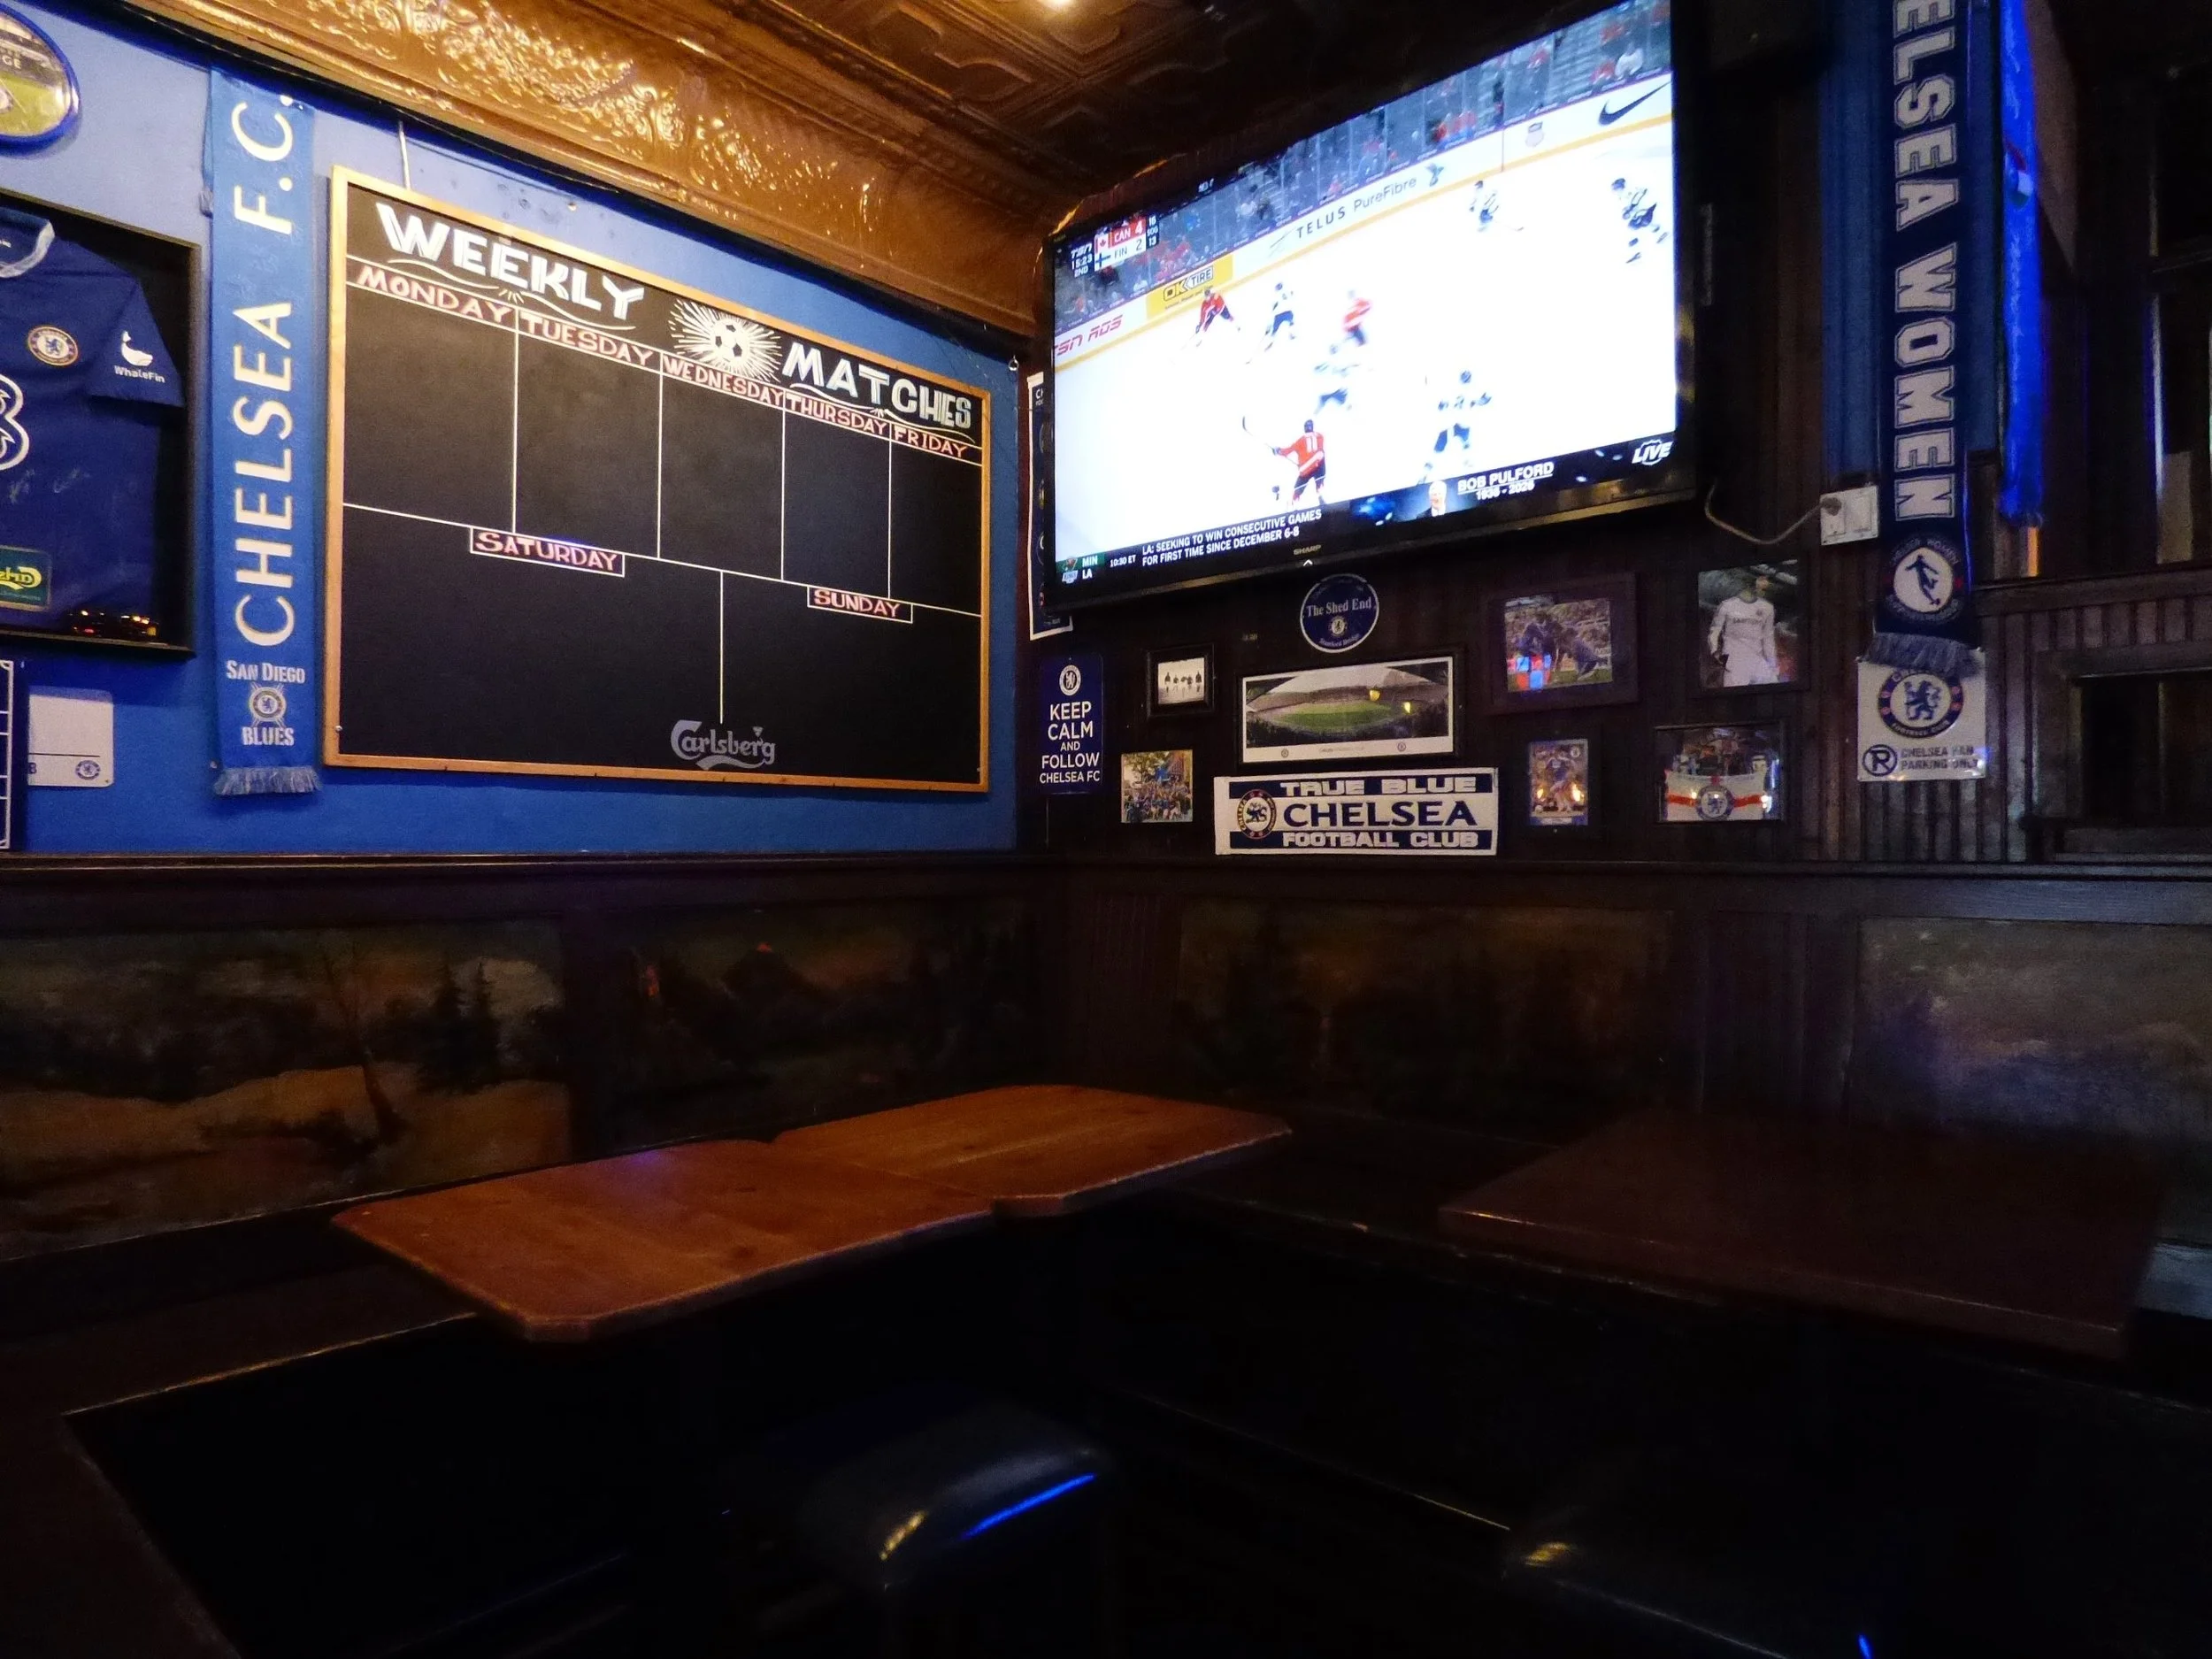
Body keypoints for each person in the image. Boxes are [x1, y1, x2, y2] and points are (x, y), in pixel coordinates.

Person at [1707, 574, 1781, 686]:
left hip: (1757, 662)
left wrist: (1773, 665)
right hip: (1734, 663)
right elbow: (1714, 631)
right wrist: (1715, 651)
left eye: (1765, 589)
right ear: (1750, 585)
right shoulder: (1727, 605)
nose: (1763, 592)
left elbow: (1768, 639)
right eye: (1761, 588)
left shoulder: (1767, 608)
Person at [1273, 419, 1326, 503]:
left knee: (1298, 488)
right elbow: (1319, 451)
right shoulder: (1320, 436)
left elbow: (1288, 451)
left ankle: (1295, 503)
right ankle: (1320, 495)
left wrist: (1278, 451)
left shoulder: (1300, 441)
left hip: (1306, 469)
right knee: (1319, 479)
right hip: (1318, 465)